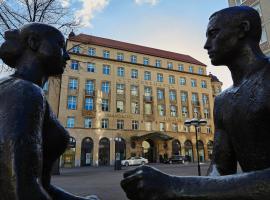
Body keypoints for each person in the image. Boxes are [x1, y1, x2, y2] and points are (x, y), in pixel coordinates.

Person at [121, 6, 270, 200]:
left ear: (242, 29)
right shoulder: (223, 101)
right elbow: (219, 171)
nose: (206, 45)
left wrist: (175, 187)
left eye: (213, 34)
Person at [0, 23, 99, 200]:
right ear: (33, 42)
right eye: (60, 46)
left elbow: (41, 186)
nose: (67, 56)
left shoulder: (18, 88)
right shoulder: (26, 92)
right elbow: (21, 190)